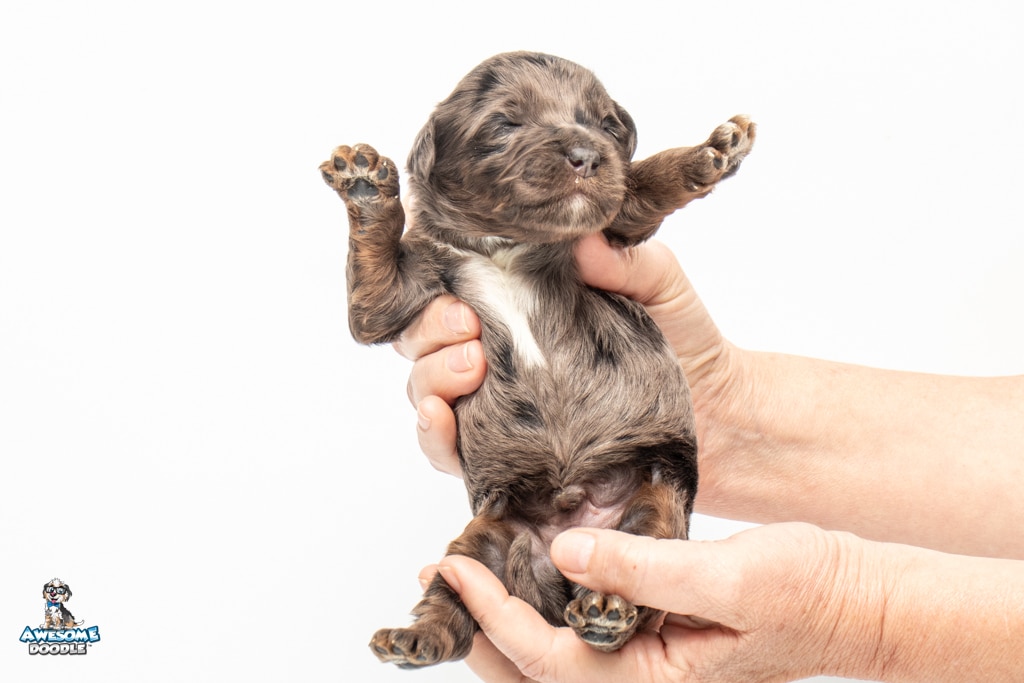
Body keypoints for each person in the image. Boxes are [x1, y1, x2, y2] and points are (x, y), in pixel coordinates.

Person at [392, 232, 1024, 682]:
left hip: (610, 510)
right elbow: (374, 313)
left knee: (608, 538)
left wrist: (860, 619)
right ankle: (447, 622)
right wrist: (713, 412)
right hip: (567, 476)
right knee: (486, 552)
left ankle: (597, 610)